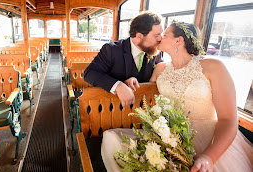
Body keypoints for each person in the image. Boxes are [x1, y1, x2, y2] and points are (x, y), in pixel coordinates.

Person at [101, 22, 253, 172]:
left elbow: (228, 120)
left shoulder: (214, 67)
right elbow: (144, 90)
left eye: (164, 34)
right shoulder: (160, 68)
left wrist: (209, 157)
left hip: (208, 138)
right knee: (112, 139)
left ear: (178, 40)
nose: (160, 37)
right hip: (170, 135)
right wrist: (131, 81)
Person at [84, 12, 163, 106]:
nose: (160, 39)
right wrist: (118, 85)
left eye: (161, 34)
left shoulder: (155, 51)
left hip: (142, 107)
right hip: (110, 107)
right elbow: (90, 73)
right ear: (139, 36)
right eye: (156, 35)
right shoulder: (111, 50)